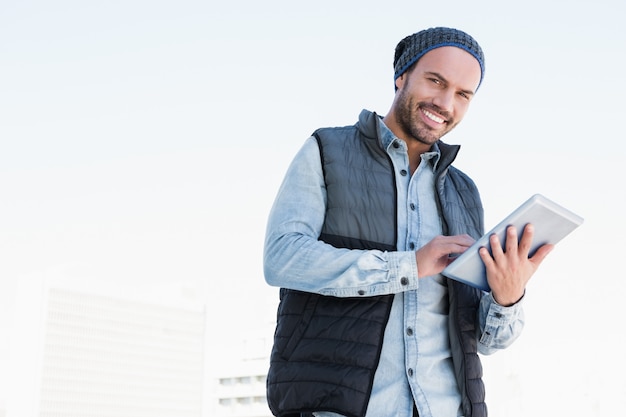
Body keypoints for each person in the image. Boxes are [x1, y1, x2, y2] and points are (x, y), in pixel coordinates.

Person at [262, 27, 553, 417]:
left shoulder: (464, 191)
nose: (446, 102)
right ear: (402, 76)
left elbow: (484, 340)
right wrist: (408, 266)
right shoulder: (326, 150)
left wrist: (507, 295)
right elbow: (282, 258)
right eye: (436, 80)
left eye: (463, 94)